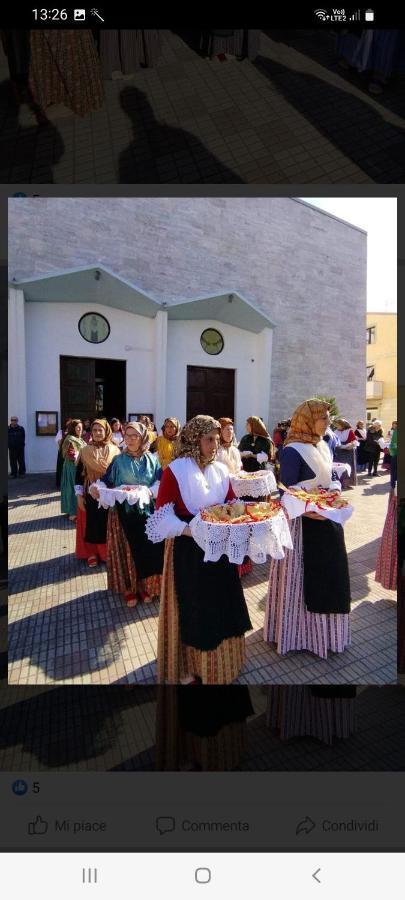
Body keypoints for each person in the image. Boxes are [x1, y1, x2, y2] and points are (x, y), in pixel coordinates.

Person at [147, 415, 253, 684]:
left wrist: (238, 514)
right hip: (189, 552)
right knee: (197, 607)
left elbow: (230, 500)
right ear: (195, 440)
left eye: (217, 439)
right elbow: (161, 515)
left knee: (223, 602)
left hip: (219, 549)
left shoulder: (219, 469)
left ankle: (227, 662)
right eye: (209, 439)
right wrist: (189, 530)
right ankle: (194, 666)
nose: (215, 445)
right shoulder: (176, 470)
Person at [264, 399, 351, 659]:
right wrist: (310, 511)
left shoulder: (323, 445)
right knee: (304, 578)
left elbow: (330, 477)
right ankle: (298, 634)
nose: (327, 422)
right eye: (322, 418)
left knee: (330, 576)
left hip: (327, 520)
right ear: (307, 420)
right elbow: (286, 491)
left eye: (327, 417)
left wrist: (334, 492)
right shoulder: (292, 450)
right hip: (303, 526)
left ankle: (327, 635)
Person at [93, 422, 164, 607]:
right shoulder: (118, 460)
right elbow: (105, 481)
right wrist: (96, 488)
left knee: (148, 550)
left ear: (143, 438)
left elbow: (160, 482)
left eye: (135, 435)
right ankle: (129, 588)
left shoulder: (152, 459)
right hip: (123, 514)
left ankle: (146, 586)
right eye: (128, 435)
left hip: (147, 512)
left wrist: (148, 492)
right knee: (127, 551)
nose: (131, 439)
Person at [75, 419, 121, 568]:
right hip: (91, 493)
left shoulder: (115, 450)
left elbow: (119, 473)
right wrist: (79, 496)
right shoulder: (85, 451)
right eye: (94, 430)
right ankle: (91, 553)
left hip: (109, 493)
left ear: (106, 431)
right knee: (91, 524)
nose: (97, 433)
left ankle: (106, 553)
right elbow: (79, 475)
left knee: (107, 524)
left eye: (100, 430)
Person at [60, 419, 85, 521]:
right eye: (78, 427)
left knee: (76, 488)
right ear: (73, 428)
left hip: (79, 466)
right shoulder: (70, 439)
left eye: (81, 427)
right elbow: (69, 454)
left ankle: (75, 510)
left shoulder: (80, 439)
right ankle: (73, 513)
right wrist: (78, 458)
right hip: (72, 467)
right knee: (72, 488)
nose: (80, 429)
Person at [333, 418, 358, 488]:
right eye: (336, 425)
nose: (337, 426)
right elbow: (334, 441)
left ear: (343, 425)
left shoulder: (349, 431)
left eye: (338, 425)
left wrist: (350, 445)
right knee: (339, 468)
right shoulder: (335, 431)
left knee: (347, 467)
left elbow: (354, 441)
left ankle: (347, 484)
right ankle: (339, 483)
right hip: (339, 452)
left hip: (348, 452)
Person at [55, 417, 72, 488]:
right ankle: (60, 484)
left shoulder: (73, 432)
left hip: (71, 453)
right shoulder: (61, 432)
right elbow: (59, 442)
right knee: (61, 468)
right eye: (68, 422)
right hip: (62, 452)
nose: (69, 424)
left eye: (71, 422)